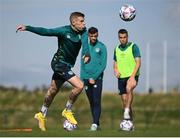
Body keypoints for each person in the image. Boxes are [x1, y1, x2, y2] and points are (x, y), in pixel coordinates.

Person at [16, 12, 90, 131]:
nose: (84, 23)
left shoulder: (84, 32)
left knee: (52, 90)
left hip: (67, 66)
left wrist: (86, 54)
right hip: (58, 64)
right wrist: (27, 28)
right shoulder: (63, 31)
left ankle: (42, 114)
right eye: (81, 21)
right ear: (74, 22)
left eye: (84, 21)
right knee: (80, 85)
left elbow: (85, 44)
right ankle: (67, 110)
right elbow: (46, 31)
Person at [80, 27, 107, 131]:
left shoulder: (102, 47)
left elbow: (103, 65)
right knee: (91, 102)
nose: (93, 38)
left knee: (96, 101)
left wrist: (94, 77)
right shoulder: (85, 48)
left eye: (95, 36)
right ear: (88, 36)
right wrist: (82, 78)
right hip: (86, 78)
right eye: (91, 36)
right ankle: (97, 124)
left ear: (98, 34)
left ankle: (94, 124)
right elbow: (82, 63)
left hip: (97, 79)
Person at [113, 29, 141, 123]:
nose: (123, 39)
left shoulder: (133, 46)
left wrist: (133, 77)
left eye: (124, 37)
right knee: (125, 101)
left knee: (129, 89)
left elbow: (138, 62)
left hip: (132, 76)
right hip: (121, 77)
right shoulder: (116, 48)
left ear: (127, 37)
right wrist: (115, 70)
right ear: (118, 38)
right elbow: (115, 63)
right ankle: (129, 121)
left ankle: (126, 112)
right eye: (120, 37)